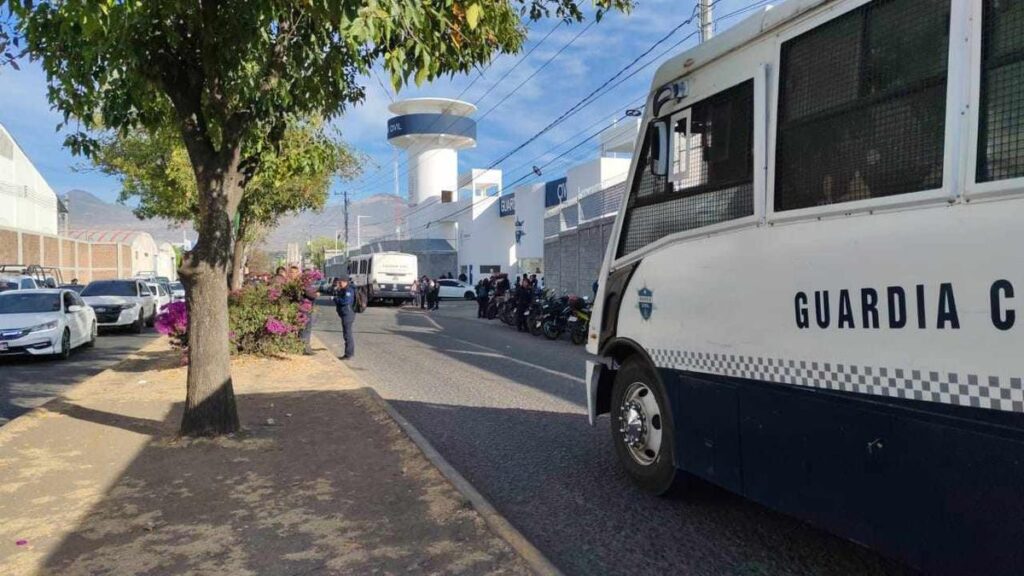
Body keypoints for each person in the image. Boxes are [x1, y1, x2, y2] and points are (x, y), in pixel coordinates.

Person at [332, 275, 356, 359]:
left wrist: (335, 299)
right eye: (339, 282)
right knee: (346, 333)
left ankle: (348, 354)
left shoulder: (349, 290)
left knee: (347, 334)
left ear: (345, 282)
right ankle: (349, 353)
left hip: (348, 314)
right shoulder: (343, 289)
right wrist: (336, 291)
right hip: (345, 313)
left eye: (340, 282)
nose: (339, 283)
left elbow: (345, 301)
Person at [298, 269, 319, 355]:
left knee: (305, 329)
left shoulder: (304, 283)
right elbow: (311, 294)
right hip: (305, 309)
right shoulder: (305, 284)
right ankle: (305, 348)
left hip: (306, 308)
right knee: (306, 329)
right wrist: (316, 294)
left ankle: (305, 347)